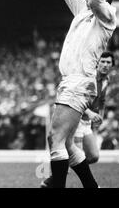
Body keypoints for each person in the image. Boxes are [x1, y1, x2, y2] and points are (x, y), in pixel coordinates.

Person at [47, 0, 116, 188]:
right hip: (71, 81)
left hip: (79, 82)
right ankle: (92, 186)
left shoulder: (107, 16)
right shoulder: (83, 12)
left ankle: (55, 185)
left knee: (55, 139)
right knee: (65, 144)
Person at [41, 51, 115, 188]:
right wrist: (90, 113)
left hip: (87, 121)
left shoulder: (106, 80)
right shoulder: (88, 77)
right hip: (76, 117)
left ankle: (54, 175)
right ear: (97, 63)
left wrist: (101, 117)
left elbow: (102, 101)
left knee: (93, 156)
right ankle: (53, 178)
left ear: (112, 65)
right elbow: (77, 98)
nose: (105, 65)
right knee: (73, 152)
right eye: (102, 61)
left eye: (108, 62)